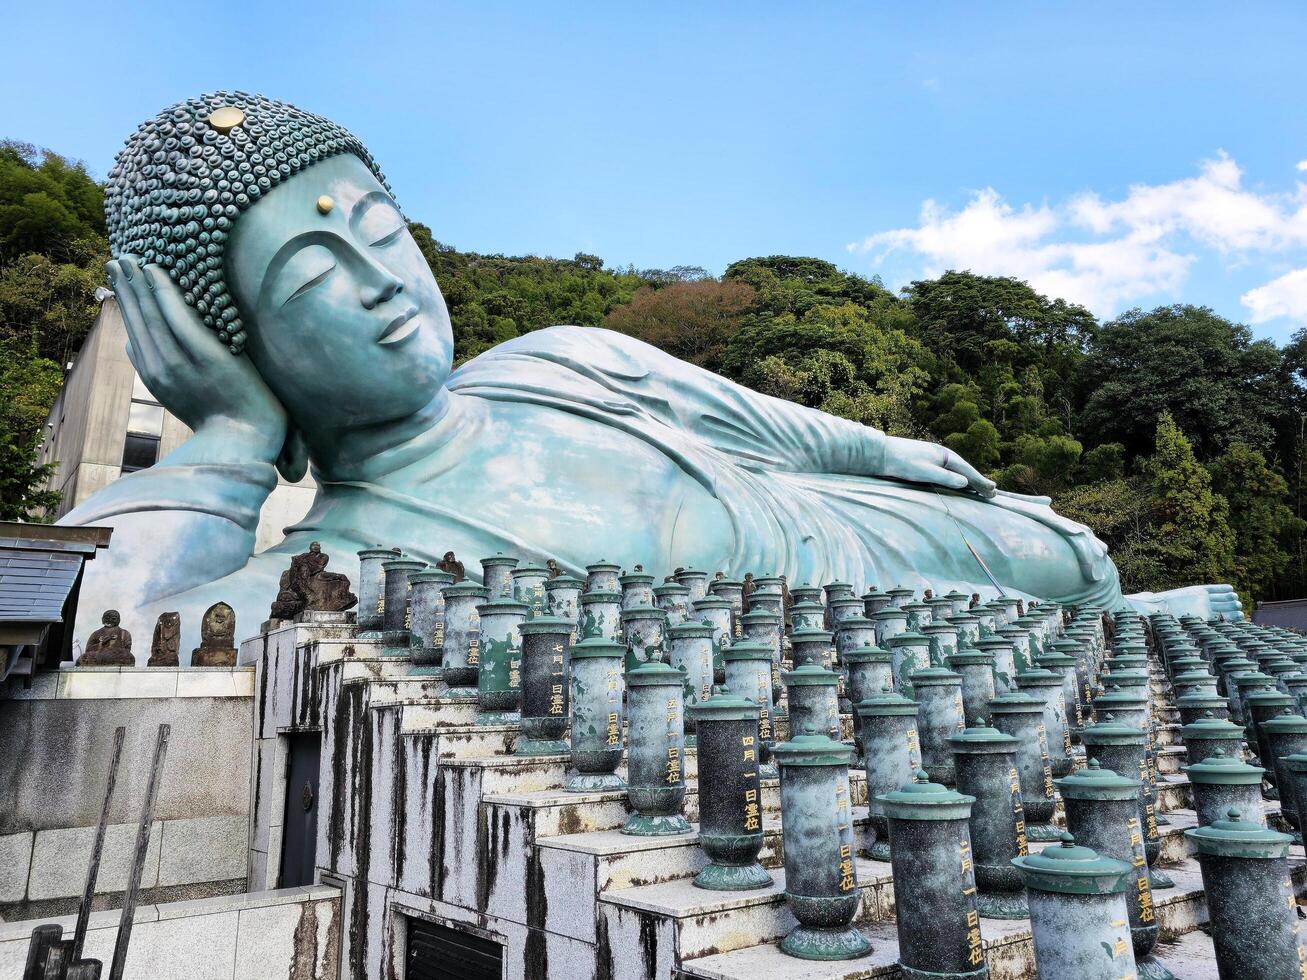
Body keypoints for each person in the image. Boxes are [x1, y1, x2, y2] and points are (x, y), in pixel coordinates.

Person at [64, 91, 1241, 653]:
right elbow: (112, 632)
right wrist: (225, 444)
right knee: (1009, 614)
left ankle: (1112, 615)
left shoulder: (553, 360)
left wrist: (888, 451)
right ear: (237, 345)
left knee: (1067, 549)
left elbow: (772, 427)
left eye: (382, 229)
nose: (380, 278)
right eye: (317, 273)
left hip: (842, 521)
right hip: (824, 643)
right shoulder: (336, 559)